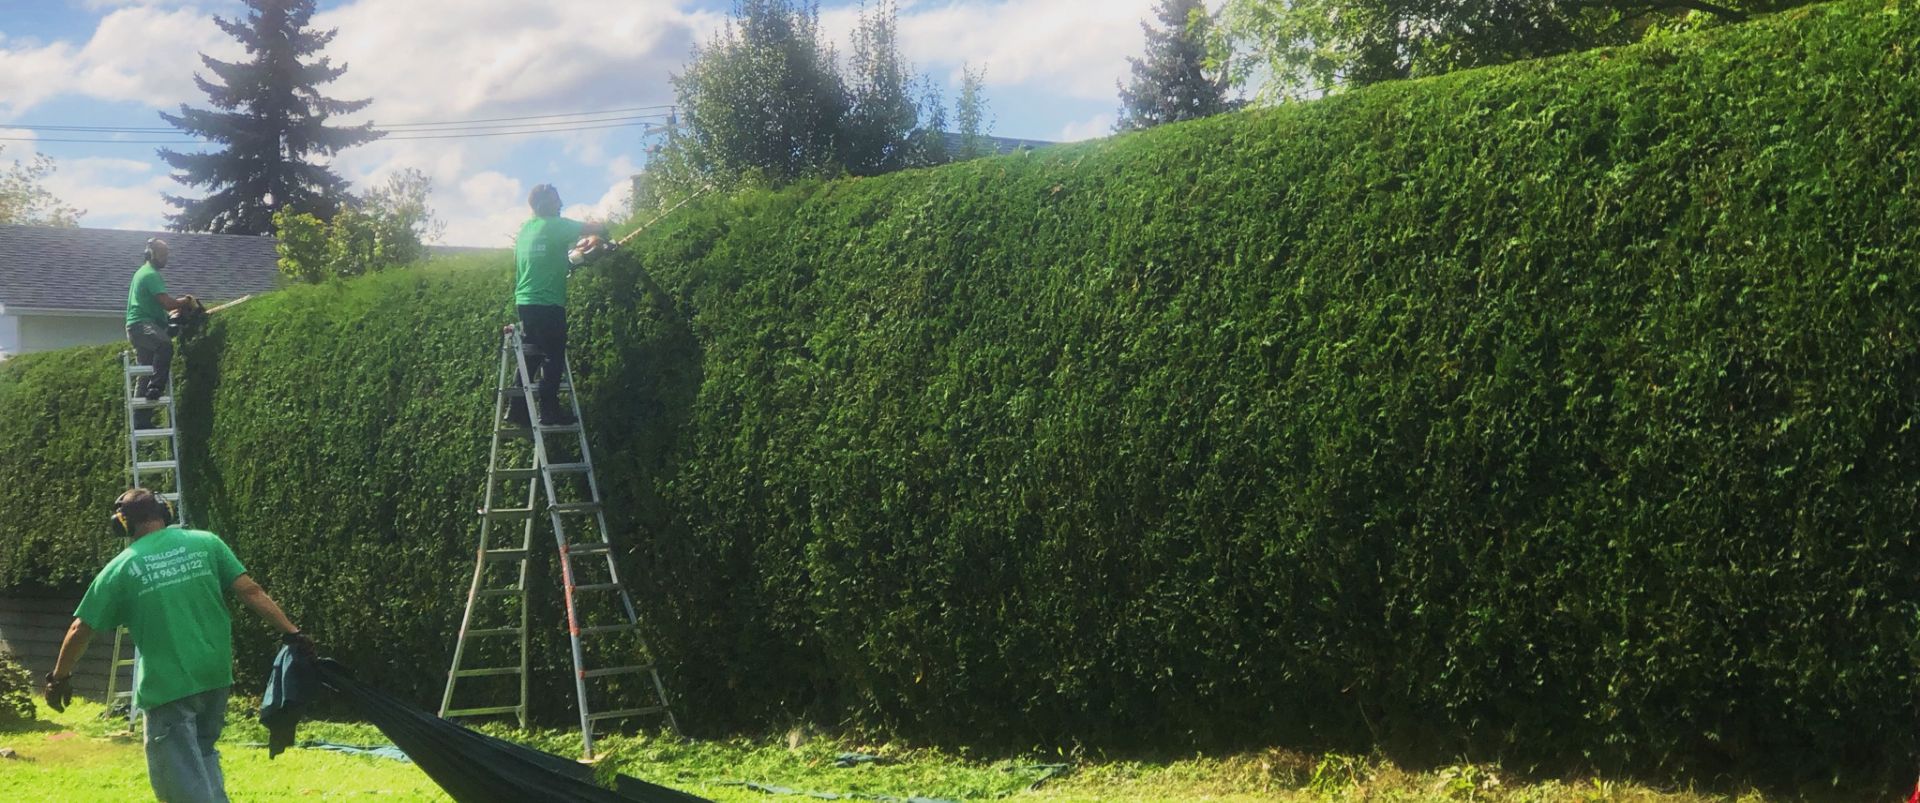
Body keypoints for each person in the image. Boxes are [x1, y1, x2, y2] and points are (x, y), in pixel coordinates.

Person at [41, 489, 314, 803]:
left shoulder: (122, 568)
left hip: (169, 686)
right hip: (215, 677)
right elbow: (250, 591)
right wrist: (292, 632)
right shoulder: (207, 543)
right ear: (166, 511)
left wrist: (59, 677)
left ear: (122, 524)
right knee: (204, 757)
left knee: (180, 784)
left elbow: (81, 627)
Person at [511, 185, 606, 427]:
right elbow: (595, 228)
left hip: (525, 301)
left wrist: (572, 257)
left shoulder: (524, 230)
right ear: (545, 204)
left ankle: (516, 409)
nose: (561, 204)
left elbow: (544, 260)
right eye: (556, 201)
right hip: (549, 303)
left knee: (531, 355)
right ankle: (549, 412)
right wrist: (598, 234)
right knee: (553, 356)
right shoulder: (557, 225)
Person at [127, 239, 197, 427]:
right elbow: (166, 303)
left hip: (140, 326)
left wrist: (172, 314)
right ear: (151, 254)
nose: (166, 258)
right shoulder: (150, 274)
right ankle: (157, 387)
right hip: (142, 325)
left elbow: (159, 307)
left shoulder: (143, 273)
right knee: (164, 344)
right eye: (163, 254)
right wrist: (186, 301)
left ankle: (141, 421)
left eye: (167, 254)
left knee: (146, 371)